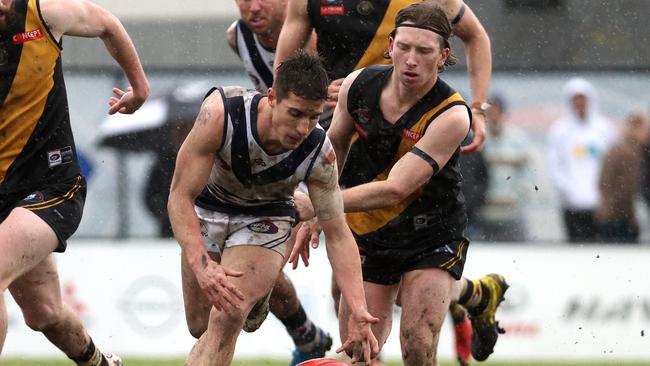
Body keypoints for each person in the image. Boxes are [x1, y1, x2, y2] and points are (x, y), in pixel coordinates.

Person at [290, 4, 507, 364]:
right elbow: (335, 147)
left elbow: (396, 188)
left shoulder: (452, 114)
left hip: (430, 235)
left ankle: (464, 296)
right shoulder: (358, 85)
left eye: (424, 51)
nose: (410, 60)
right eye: (404, 47)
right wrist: (317, 211)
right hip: (372, 231)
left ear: (443, 57)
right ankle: (477, 295)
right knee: (360, 352)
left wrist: (319, 206)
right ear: (390, 45)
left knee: (417, 346)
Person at [167, 50, 379, 365]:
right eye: (295, 113)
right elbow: (179, 196)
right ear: (272, 97)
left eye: (313, 115)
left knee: (227, 315)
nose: (303, 128)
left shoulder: (319, 152)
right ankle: (269, 300)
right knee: (200, 326)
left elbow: (337, 233)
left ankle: (257, 291)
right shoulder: (220, 114)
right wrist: (202, 266)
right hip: (207, 207)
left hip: (266, 216)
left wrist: (359, 310)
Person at [0, 0, 149, 364]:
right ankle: (100, 362)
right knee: (45, 313)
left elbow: (107, 24)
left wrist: (140, 89)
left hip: (53, 188)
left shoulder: (45, 13)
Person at [225, 1, 333, 364]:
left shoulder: (316, 34)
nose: (252, 8)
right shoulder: (235, 37)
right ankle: (307, 335)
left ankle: (464, 293)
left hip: (330, 149)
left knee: (378, 262)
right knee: (264, 261)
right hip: (278, 152)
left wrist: (346, 89)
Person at [274, 0, 490, 152]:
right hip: (334, 120)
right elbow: (286, 70)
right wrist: (318, 91)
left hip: (405, 124)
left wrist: (479, 108)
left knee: (400, 196)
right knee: (331, 201)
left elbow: (476, 36)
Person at [548, 78, 617, 243]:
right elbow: (555, 165)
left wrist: (605, 195)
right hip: (572, 205)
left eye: (583, 99)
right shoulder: (560, 130)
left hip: (600, 206)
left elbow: (613, 166)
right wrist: (566, 190)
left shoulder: (605, 128)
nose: (579, 104)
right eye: (575, 99)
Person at [480, 93, 530, 242]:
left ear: (504, 112)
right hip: (484, 215)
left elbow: (529, 175)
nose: (493, 115)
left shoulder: (519, 138)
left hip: (512, 214)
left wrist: (517, 199)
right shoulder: (477, 138)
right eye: (490, 111)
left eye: (497, 110)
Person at [596, 111, 649, 243]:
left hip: (614, 214)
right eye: (644, 129)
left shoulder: (624, 148)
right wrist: (630, 216)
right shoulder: (628, 152)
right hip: (618, 216)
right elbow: (625, 188)